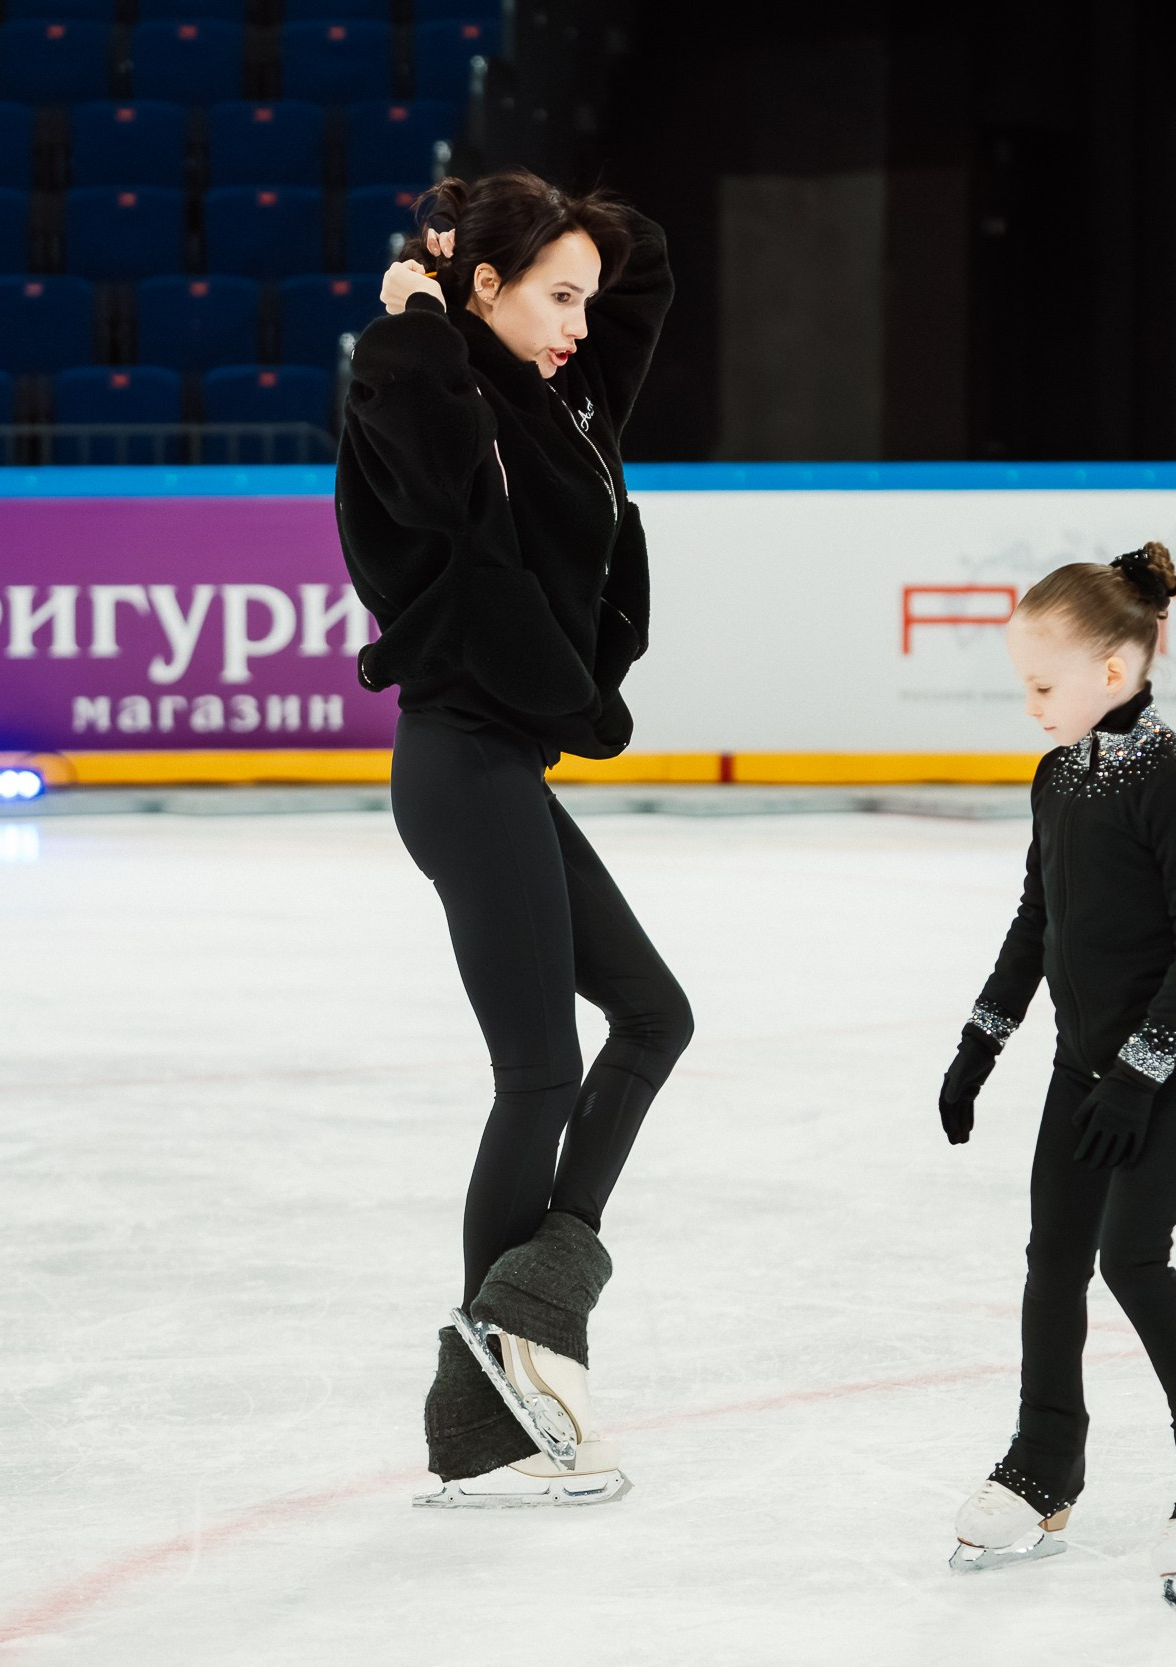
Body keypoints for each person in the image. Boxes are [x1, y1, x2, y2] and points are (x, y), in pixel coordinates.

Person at [334, 168, 690, 1508]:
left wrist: (522, 219)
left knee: (654, 1016)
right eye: (554, 296)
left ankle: (531, 1302)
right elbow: (418, 422)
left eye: (582, 301)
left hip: (508, 763)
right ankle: (503, 1363)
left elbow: (642, 260)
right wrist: (423, 300)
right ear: (480, 292)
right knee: (540, 1074)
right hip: (460, 761)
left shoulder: (565, 398)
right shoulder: (415, 387)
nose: (582, 323)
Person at [938, 545, 1176, 1607]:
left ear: (1113, 668)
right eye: (1022, 686)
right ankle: (1043, 1464)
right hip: (1078, 1068)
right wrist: (981, 1042)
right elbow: (1035, 923)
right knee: (1053, 1257)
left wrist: (1141, 1073)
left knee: (1132, 1258)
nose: (1029, 707)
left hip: (1167, 1066)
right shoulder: (1057, 777)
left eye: (1041, 686)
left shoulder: (1175, 788)